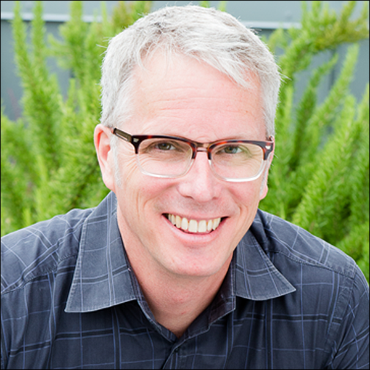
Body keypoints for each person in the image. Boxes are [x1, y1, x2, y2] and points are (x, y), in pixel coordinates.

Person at [1, 5, 368, 369]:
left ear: (266, 164)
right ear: (107, 155)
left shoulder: (334, 301)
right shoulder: (11, 300)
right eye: (165, 146)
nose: (202, 188)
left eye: (233, 149)